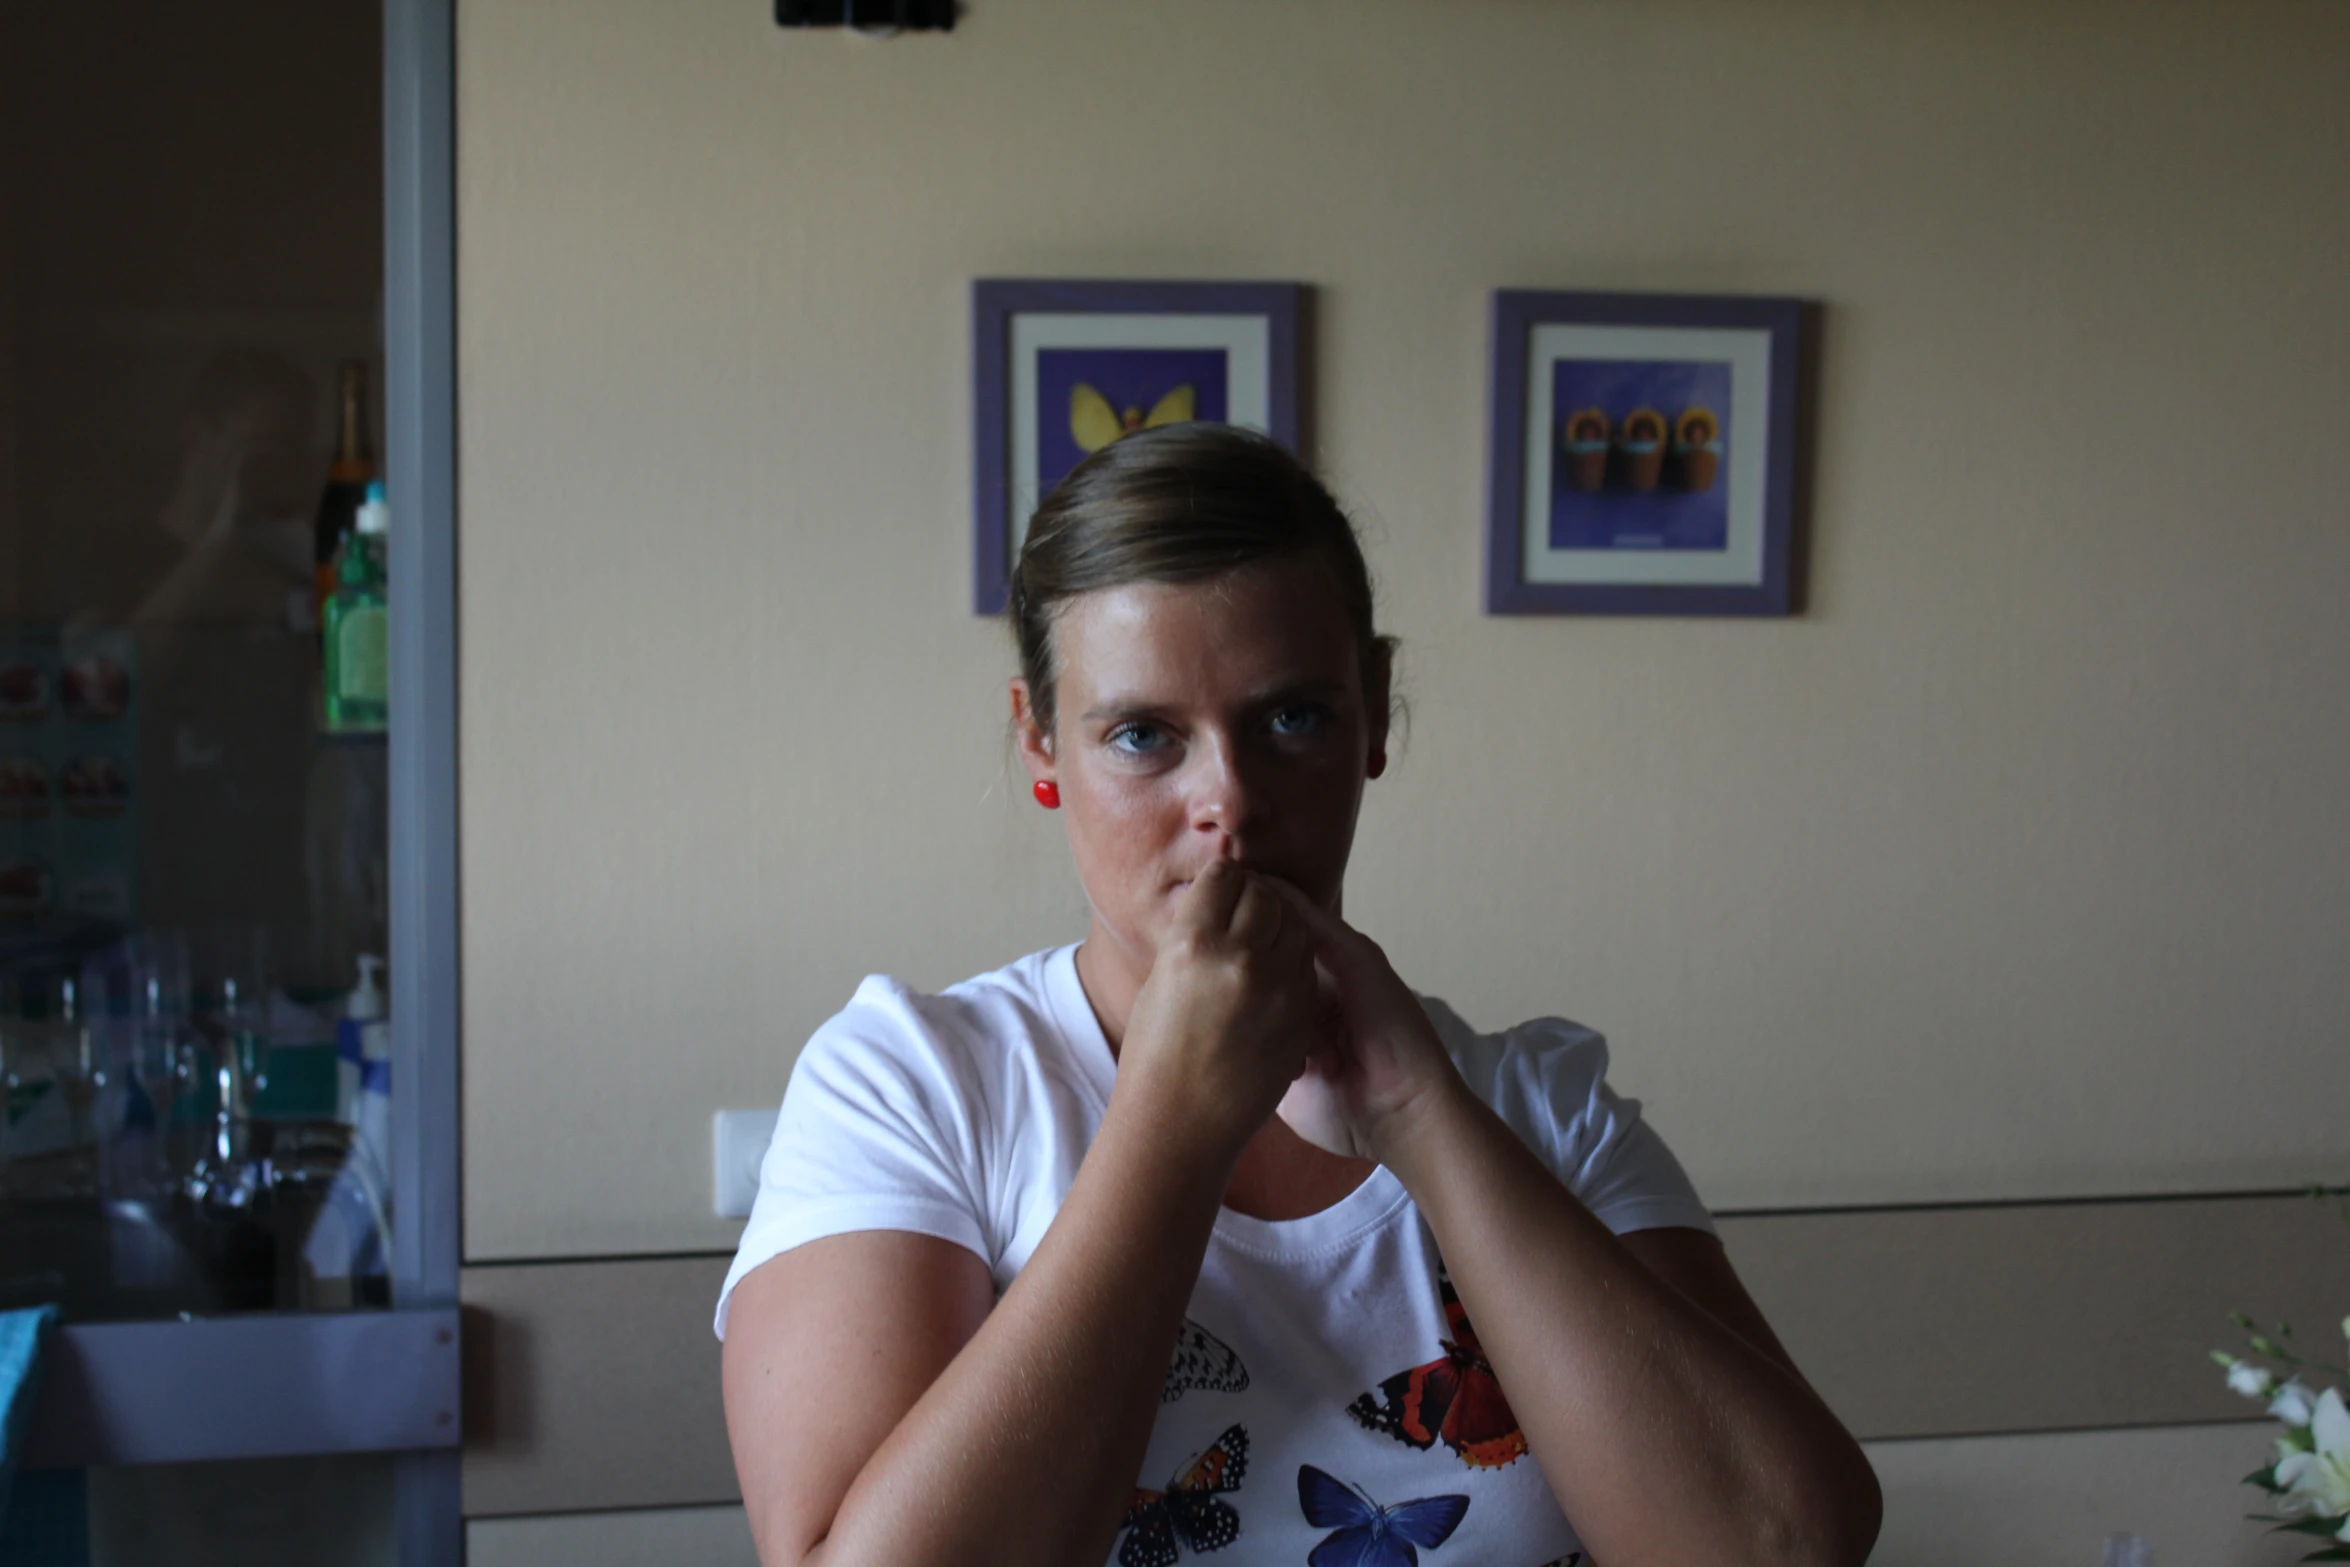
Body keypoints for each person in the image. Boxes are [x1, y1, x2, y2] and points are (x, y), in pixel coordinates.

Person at [718, 425, 1882, 1567]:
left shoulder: (1538, 1104)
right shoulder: (917, 1084)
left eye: (1290, 717)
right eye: (1141, 734)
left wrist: (1419, 1114)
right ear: (1039, 739)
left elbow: (1781, 1542)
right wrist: (1172, 1120)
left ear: (1372, 710)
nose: (1228, 798)